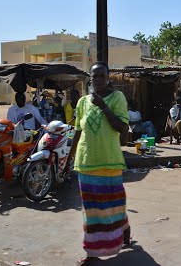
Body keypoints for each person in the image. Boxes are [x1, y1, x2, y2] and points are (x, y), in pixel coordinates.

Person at [70, 62, 131, 266]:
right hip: (86, 162)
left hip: (109, 161)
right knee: (92, 211)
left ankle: (124, 229)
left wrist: (103, 106)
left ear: (108, 78)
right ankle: (92, 254)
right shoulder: (82, 102)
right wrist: (70, 157)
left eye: (101, 76)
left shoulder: (117, 98)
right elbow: (78, 131)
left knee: (114, 205)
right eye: (94, 76)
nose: (97, 80)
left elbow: (122, 128)